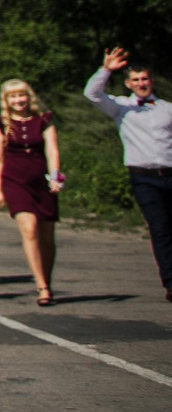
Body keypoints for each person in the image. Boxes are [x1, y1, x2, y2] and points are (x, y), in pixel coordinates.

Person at [85, 47, 172, 302]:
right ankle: (170, 281)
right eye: (135, 80)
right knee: (160, 228)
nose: (141, 84)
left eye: (144, 79)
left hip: (170, 172)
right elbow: (91, 94)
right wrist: (106, 70)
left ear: (151, 81)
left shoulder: (167, 108)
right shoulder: (120, 107)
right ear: (128, 84)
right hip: (144, 177)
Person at [0, 78, 63, 306]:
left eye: (21, 95)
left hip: (41, 182)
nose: (18, 100)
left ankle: (47, 280)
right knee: (29, 229)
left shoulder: (44, 120)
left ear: (28, 96)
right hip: (15, 181)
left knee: (47, 237)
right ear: (6, 100)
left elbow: (52, 151)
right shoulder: (1, 123)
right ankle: (41, 286)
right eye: (13, 96)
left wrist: (55, 177)